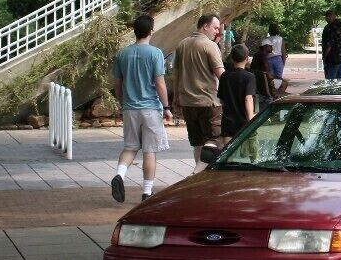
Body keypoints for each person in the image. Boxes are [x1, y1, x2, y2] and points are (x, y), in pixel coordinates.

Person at [110, 13, 172, 203]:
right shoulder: (155, 53)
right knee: (149, 151)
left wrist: (122, 103)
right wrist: (167, 107)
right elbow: (160, 83)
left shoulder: (123, 54)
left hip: (130, 108)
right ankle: (147, 192)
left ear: (134, 32)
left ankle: (120, 175)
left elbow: (117, 83)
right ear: (151, 31)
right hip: (151, 108)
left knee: (130, 147)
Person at [173, 14, 225, 173]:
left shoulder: (182, 44)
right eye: (215, 28)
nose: (217, 32)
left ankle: (199, 175)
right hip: (209, 102)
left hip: (187, 102)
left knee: (197, 143)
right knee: (215, 141)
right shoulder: (209, 46)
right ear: (205, 26)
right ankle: (197, 173)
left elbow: (177, 74)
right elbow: (221, 74)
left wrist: (176, 98)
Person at [216, 44, 257, 148]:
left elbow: (221, 99)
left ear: (232, 58)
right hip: (243, 121)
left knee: (227, 152)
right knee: (245, 153)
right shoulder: (249, 77)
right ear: (247, 58)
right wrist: (250, 120)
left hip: (227, 120)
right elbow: (248, 99)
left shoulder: (224, 76)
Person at [321, 10, 341, 80]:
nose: (327, 18)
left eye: (328, 16)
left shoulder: (329, 30)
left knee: (330, 83)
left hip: (332, 60)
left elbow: (329, 46)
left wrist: (324, 57)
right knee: (340, 84)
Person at [250, 40, 276, 109]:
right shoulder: (263, 55)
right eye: (270, 46)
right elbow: (266, 70)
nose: (271, 48)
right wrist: (271, 77)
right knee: (283, 83)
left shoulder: (257, 54)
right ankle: (274, 101)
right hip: (263, 81)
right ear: (266, 46)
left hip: (257, 80)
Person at [265, 22, 287, 90]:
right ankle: (278, 93)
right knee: (279, 79)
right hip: (278, 59)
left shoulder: (266, 39)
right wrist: (283, 62)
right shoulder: (280, 39)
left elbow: (264, 52)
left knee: (270, 79)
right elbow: (283, 52)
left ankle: (272, 93)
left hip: (268, 59)